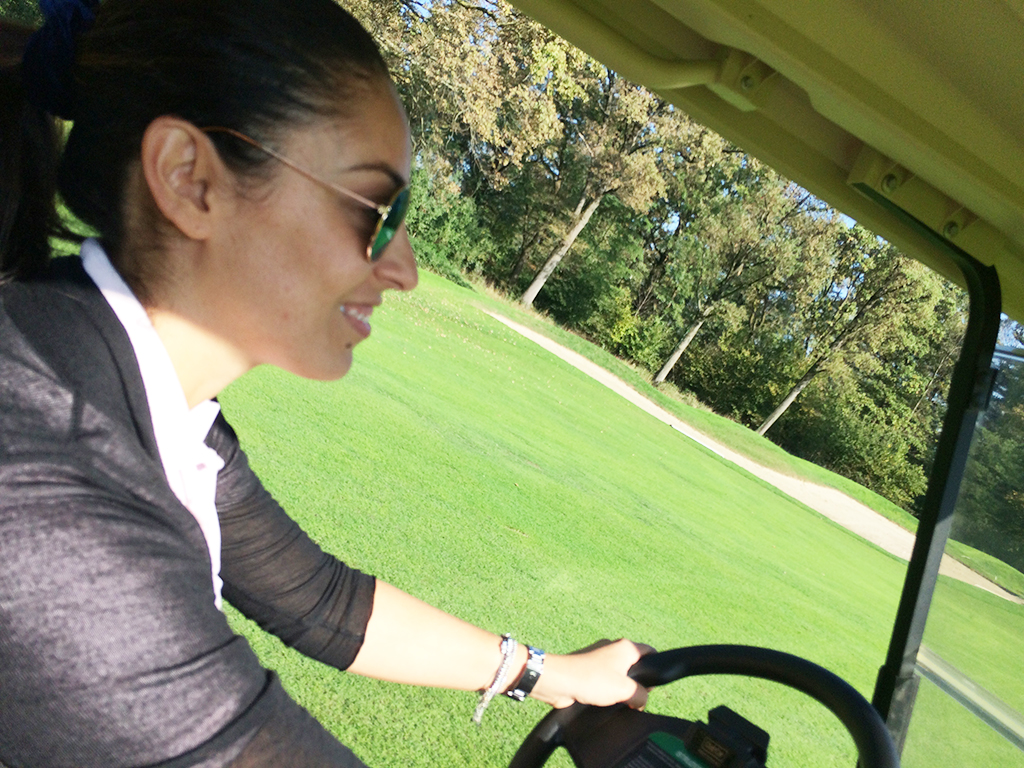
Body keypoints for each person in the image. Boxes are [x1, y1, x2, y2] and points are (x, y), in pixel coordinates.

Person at [0, 0, 649, 765]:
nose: (404, 270)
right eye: (376, 211)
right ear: (190, 180)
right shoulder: (48, 479)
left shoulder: (133, 393)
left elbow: (317, 599)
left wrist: (551, 673)